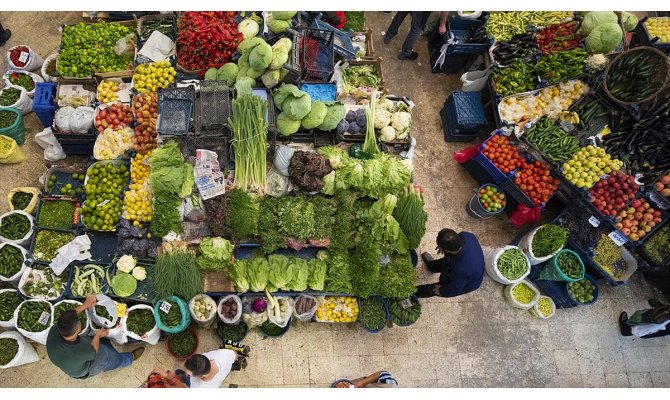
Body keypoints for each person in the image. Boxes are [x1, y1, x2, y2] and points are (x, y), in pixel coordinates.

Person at [46, 295, 145, 379]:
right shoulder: (80, 351)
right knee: (109, 358)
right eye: (79, 322)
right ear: (78, 330)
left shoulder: (56, 330)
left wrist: (85, 305)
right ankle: (128, 359)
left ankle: (107, 344)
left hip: (69, 361)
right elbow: (94, 350)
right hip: (87, 367)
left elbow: (67, 316)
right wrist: (98, 335)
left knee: (98, 342)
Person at [416, 228, 485, 298]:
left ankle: (414, 293)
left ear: (448, 250)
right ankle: (431, 266)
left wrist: (442, 291)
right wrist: (442, 246)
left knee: (433, 289)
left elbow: (455, 289)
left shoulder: (460, 270)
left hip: (468, 281)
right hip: (466, 263)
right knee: (443, 262)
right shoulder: (467, 235)